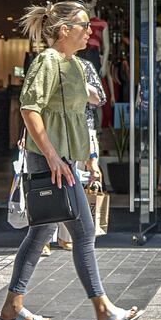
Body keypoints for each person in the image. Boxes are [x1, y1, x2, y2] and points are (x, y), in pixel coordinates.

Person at [0, 1, 139, 320]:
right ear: (65, 30)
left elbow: (82, 117)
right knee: (85, 232)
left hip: (65, 161)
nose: (90, 32)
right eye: (84, 26)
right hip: (51, 161)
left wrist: (89, 158)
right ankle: (103, 309)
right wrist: (50, 156)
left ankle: (11, 306)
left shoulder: (74, 64)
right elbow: (30, 109)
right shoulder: (46, 61)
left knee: (40, 233)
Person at [49, 55, 106, 254]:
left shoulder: (86, 66)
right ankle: (45, 238)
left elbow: (99, 98)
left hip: (82, 130)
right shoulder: (48, 63)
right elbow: (34, 104)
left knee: (76, 183)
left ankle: (68, 237)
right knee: (51, 183)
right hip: (54, 130)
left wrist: (78, 82)